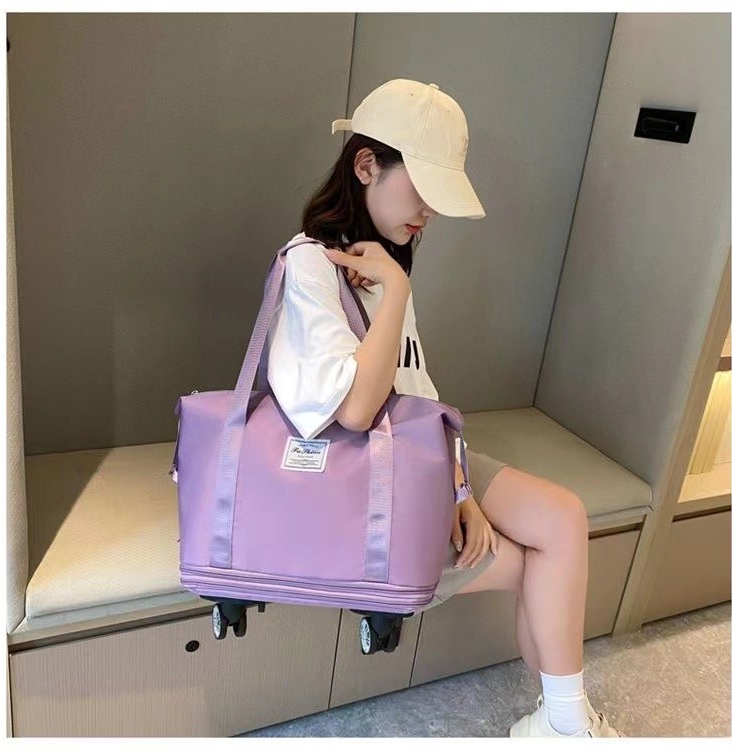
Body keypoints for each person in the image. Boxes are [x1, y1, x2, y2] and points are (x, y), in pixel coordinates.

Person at [266, 78, 623, 738]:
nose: (428, 211)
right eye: (422, 188)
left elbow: (420, 397)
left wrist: (460, 486)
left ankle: (564, 724)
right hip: (357, 486)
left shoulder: (380, 261)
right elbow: (356, 413)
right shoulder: (311, 266)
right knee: (536, 563)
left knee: (563, 517)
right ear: (366, 166)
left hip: (414, 456)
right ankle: (566, 726)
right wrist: (396, 290)